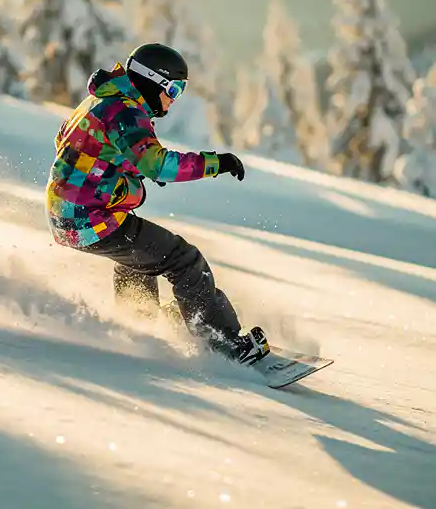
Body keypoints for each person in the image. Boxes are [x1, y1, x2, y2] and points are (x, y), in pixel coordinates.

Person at [45, 42, 270, 366]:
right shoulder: (126, 111)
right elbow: (159, 165)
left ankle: (139, 325)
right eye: (173, 89)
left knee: (139, 258)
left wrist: (128, 167)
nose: (173, 99)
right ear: (153, 81)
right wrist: (215, 163)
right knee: (185, 261)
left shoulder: (103, 100)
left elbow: (77, 143)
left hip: (68, 215)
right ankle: (228, 345)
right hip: (88, 219)